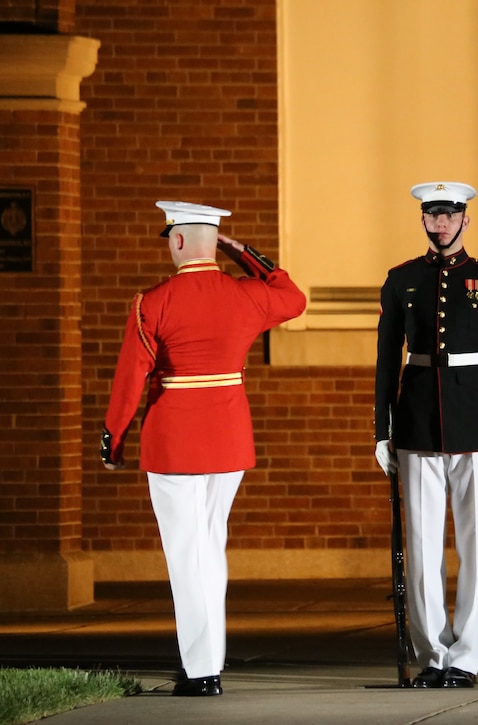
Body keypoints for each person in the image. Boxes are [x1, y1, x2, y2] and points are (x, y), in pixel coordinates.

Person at [100, 201, 306, 697]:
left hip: (175, 442)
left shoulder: (153, 302)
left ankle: (201, 670)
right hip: (229, 438)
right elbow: (293, 297)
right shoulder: (245, 296)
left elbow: (130, 380)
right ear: (215, 243)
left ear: (175, 241)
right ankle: (207, 657)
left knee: (186, 555)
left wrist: (114, 438)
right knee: (210, 549)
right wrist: (244, 255)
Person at [374, 181, 478, 689]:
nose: (440, 224)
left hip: (476, 423)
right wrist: (381, 429)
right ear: (423, 220)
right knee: (422, 546)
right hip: (415, 422)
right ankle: (433, 653)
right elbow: (385, 360)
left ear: (465, 221)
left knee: (475, 544)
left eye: (449, 215)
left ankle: (466, 656)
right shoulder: (401, 280)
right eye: (432, 215)